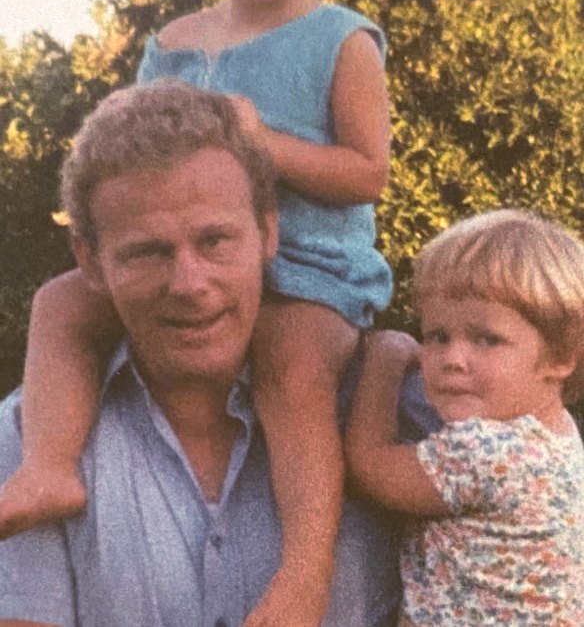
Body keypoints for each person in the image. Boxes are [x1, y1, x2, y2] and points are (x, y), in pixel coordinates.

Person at [0, 0, 392, 626]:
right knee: (59, 302)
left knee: (289, 368)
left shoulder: (342, 41)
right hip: (228, 250)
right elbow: (131, 152)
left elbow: (368, 174)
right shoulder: (173, 39)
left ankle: (304, 572)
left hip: (313, 270)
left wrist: (265, 143)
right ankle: (47, 465)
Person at [0, 81, 436, 627]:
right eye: (148, 251)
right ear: (89, 263)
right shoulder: (26, 437)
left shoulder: (406, 419)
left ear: (267, 234)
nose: (188, 282)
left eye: (215, 241)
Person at [347, 209, 584, 626]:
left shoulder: (487, 449)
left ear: (561, 357)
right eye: (437, 336)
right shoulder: (560, 437)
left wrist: (384, 360)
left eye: (486, 339)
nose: (452, 359)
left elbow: (370, 466)